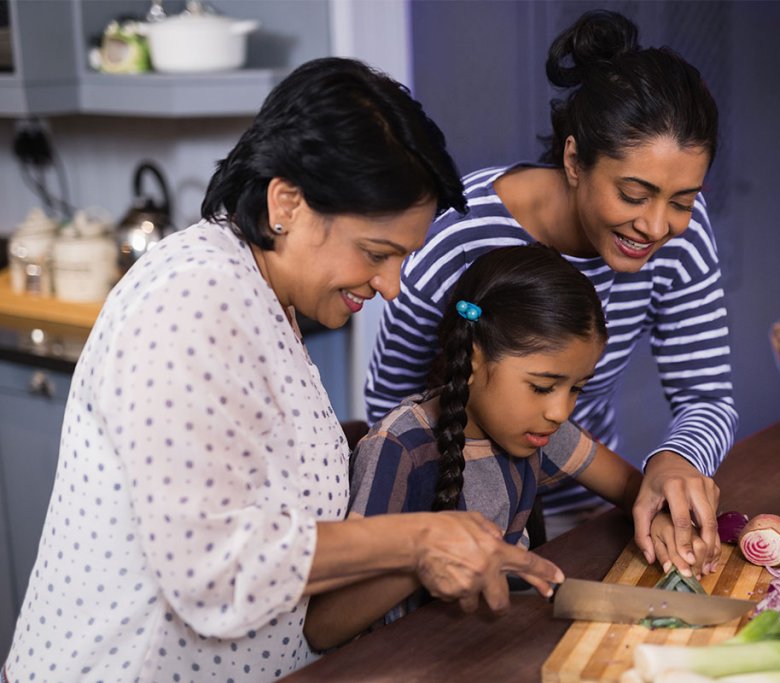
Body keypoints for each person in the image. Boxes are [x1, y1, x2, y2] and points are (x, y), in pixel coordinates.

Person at [2, 57, 564, 682]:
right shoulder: (191, 301)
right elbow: (213, 569)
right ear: (286, 203)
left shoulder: (266, 300)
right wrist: (420, 538)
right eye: (377, 254)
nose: (392, 287)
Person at [365, 10, 736, 576]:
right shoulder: (460, 236)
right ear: (572, 159)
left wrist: (673, 462)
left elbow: (707, 395)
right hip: (453, 525)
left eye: (682, 201)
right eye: (634, 194)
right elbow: (390, 404)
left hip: (588, 510)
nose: (658, 226)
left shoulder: (684, 236)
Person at [305, 245, 683, 649]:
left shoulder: (533, 426)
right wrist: (426, 557)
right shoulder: (399, 448)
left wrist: (655, 516)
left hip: (488, 649)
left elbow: (630, 489)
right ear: (472, 360)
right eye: (542, 386)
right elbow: (325, 627)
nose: (559, 410)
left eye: (576, 388)